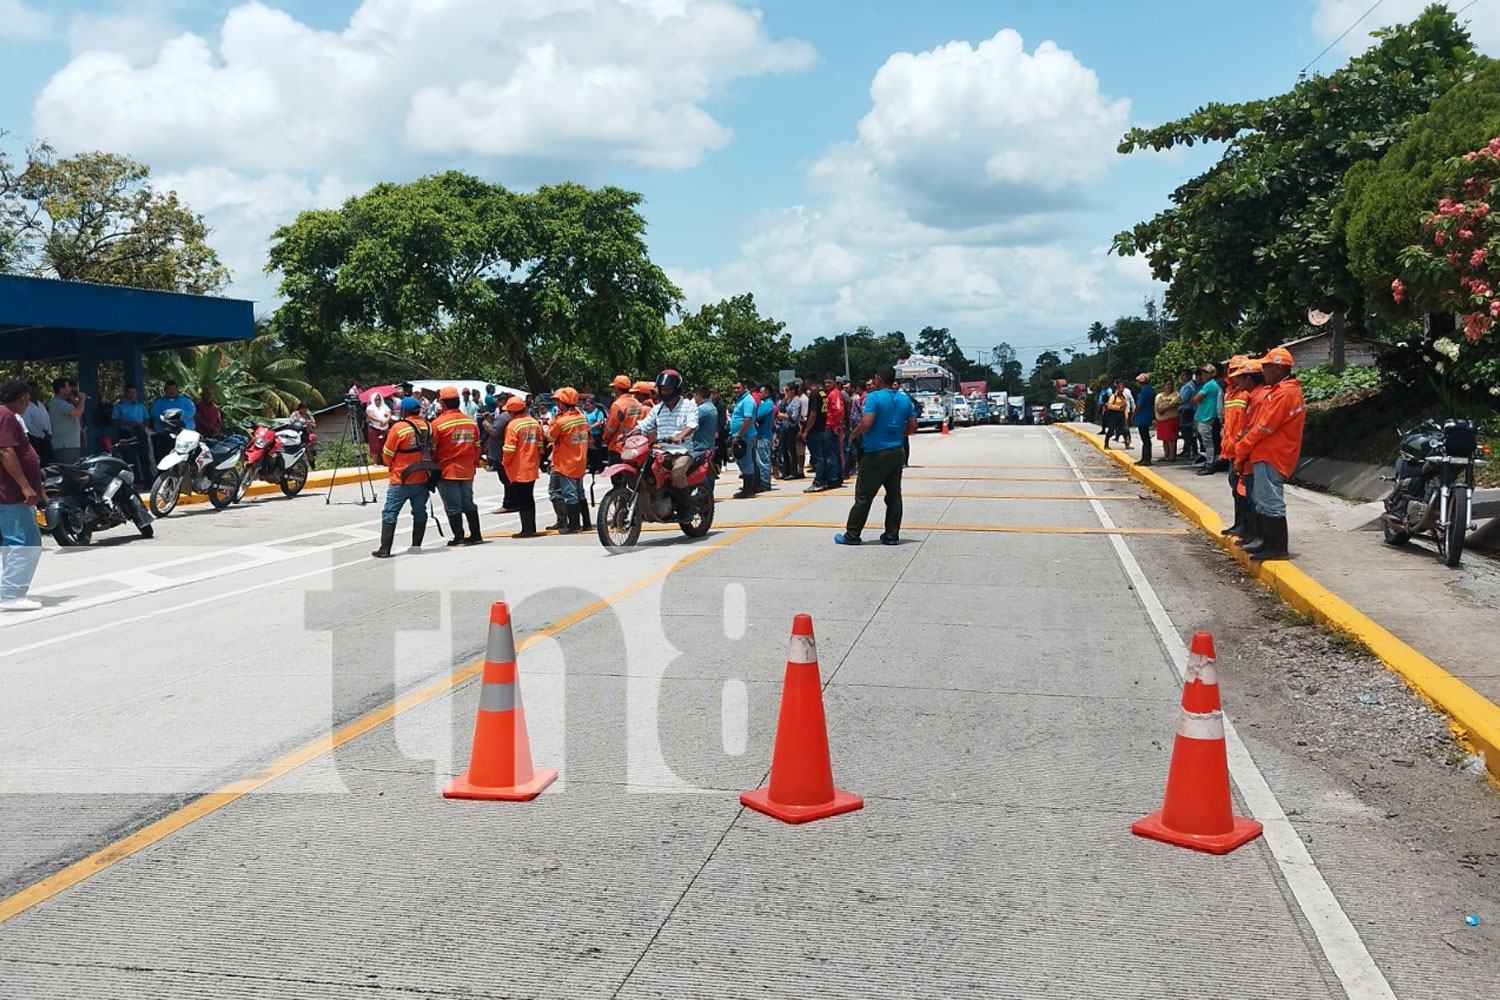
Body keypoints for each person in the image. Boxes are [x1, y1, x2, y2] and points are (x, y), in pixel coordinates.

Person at [1233, 347, 1304, 561]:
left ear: (1279, 367)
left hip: (1272, 454)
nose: (1263, 370)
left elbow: (1263, 427)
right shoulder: (1280, 390)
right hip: (1267, 453)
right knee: (1263, 500)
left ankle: (1277, 547)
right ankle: (1268, 544)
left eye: (1267, 366)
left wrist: (1242, 448)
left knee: (1270, 501)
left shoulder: (1284, 393)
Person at [834, 364, 917, 546]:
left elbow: (867, 422)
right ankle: (891, 534)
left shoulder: (874, 398)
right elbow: (913, 425)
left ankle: (852, 534)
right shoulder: (904, 400)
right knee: (894, 496)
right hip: (897, 451)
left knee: (864, 495)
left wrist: (855, 433)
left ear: (879, 378)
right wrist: (898, 434)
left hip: (876, 453)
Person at [1, 380, 45, 611]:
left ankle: (9, 589)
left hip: (10, 491)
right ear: (22, 399)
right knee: (26, 541)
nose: (27, 404)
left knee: (13, 541)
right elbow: (6, 451)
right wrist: (25, 486)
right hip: (12, 492)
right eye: (27, 399)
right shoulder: (6, 416)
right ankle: (10, 594)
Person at [374, 396, 437, 558]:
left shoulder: (399, 428)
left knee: (390, 512)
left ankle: (385, 549)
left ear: (403, 411)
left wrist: (391, 466)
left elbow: (387, 453)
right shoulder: (429, 427)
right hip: (422, 477)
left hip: (400, 478)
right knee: (419, 512)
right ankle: (416, 546)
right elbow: (433, 450)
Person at [636, 370, 701, 525]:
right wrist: (633, 432)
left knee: (677, 474)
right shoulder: (658, 408)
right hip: (661, 451)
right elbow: (644, 425)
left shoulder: (688, 406)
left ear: (676, 389)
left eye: (668, 389)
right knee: (644, 471)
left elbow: (692, 424)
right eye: (662, 389)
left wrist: (681, 435)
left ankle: (687, 508)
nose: (665, 393)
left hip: (682, 451)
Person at [431, 386, 484, 547]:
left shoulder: (437, 424)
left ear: (443, 403)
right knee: (468, 502)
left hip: (447, 470)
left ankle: (459, 537)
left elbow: (432, 449)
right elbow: (477, 446)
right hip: (467, 469)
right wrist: (473, 462)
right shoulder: (470, 421)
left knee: (453, 506)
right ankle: (476, 535)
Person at [1218, 357, 1258, 540]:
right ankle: (1239, 524)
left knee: (1244, 491)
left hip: (1242, 449)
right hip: (1231, 448)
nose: (1235, 376)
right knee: (1235, 489)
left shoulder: (1247, 394)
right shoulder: (1229, 393)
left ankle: (1247, 528)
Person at [546, 387, 591, 534]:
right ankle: (587, 523)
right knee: (580, 492)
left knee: (570, 494)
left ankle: (574, 526)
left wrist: (553, 421)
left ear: (564, 403)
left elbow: (550, 437)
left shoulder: (562, 421)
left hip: (566, 462)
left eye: (558, 401)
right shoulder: (582, 417)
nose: (557, 404)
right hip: (580, 460)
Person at [501, 396, 541, 537]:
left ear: (512, 412)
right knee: (529, 497)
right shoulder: (534, 423)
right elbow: (540, 446)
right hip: (532, 465)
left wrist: (505, 462)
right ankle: (531, 527)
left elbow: (509, 449)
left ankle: (527, 530)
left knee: (523, 499)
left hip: (519, 468)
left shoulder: (513, 426)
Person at [112, 385, 153, 483]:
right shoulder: (120, 405)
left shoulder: (140, 405)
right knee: (130, 458)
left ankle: (148, 481)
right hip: (126, 433)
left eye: (134, 393)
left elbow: (147, 419)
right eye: (130, 392)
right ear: (126, 393)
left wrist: (143, 424)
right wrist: (128, 423)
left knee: (145, 457)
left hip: (139, 432)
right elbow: (114, 421)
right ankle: (134, 481)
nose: (133, 395)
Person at [728, 378, 759, 499]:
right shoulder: (740, 400)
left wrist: (739, 434)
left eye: (738, 388)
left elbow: (747, 419)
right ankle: (747, 488)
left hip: (745, 436)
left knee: (746, 462)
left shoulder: (748, 400)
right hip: (739, 436)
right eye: (734, 388)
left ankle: (749, 490)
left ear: (745, 387)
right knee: (742, 461)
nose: (736, 390)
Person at [801, 373, 831, 491]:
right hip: (822, 428)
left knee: (817, 456)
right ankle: (824, 479)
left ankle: (819, 481)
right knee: (822, 456)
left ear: (809, 381)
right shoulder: (822, 393)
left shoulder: (814, 394)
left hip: (815, 430)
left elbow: (813, 413)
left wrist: (806, 431)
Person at [485, 394, 514, 513]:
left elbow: (495, 431)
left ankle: (508, 504)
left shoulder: (504, 416)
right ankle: (514, 502)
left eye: (498, 401)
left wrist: (486, 425)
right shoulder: (509, 416)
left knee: (506, 479)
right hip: (507, 451)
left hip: (501, 451)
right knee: (509, 479)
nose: (497, 404)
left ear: (503, 402)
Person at [48, 378, 87, 466]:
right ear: (62, 390)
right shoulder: (58, 403)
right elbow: (77, 412)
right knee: (67, 475)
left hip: (71, 445)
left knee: (74, 474)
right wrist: (82, 399)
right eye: (69, 387)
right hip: (64, 446)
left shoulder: (65, 403)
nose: (71, 390)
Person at [1192, 363, 1222, 474]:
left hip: (1206, 417)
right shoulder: (1211, 385)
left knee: (1208, 443)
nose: (1204, 375)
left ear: (1212, 373)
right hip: (1204, 416)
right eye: (1203, 372)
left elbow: (1196, 399)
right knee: (1206, 442)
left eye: (1206, 372)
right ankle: (1209, 463)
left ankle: (1210, 465)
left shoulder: (1210, 385)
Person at [692, 385, 719, 489]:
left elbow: (689, 424)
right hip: (708, 444)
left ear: (698, 395)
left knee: (702, 476)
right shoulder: (711, 407)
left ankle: (704, 498)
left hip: (701, 446)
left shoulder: (702, 409)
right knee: (707, 474)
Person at [21, 382, 52, 465]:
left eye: (37, 390)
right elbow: (29, 424)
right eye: (32, 390)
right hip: (35, 438)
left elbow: (47, 419)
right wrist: (42, 435)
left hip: (46, 436)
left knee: (47, 460)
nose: (35, 392)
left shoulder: (40, 404)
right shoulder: (26, 406)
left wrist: (49, 433)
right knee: (38, 461)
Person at [823, 375, 846, 488]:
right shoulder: (830, 394)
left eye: (829, 382)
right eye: (826, 382)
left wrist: (834, 425)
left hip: (831, 427)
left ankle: (833, 479)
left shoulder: (834, 394)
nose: (827, 384)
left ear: (834, 383)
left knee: (831, 454)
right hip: (830, 426)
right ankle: (836, 477)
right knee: (835, 453)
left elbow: (838, 410)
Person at [755, 382, 777, 492]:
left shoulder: (766, 405)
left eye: (761, 392)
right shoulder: (766, 404)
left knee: (763, 460)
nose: (759, 394)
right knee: (760, 460)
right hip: (762, 435)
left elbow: (756, 416)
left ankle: (765, 483)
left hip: (763, 435)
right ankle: (762, 481)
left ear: (767, 393)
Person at [1153, 375, 1180, 462]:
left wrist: (1163, 409)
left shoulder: (1175, 394)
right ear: (1164, 386)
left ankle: (1172, 455)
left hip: (1171, 419)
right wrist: (1158, 411)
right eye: (1167, 384)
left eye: (1171, 384)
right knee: (1164, 439)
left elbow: (1175, 404)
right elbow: (1156, 406)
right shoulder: (1159, 396)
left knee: (1171, 438)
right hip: (1161, 420)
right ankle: (1166, 454)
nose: (1169, 386)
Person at [1131, 373, 1156, 465]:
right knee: (1145, 438)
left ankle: (1146, 459)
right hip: (1147, 415)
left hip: (1143, 416)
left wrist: (1133, 415)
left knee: (1145, 438)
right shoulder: (1149, 390)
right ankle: (1145, 458)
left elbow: (1139, 405)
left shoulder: (1144, 391)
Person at [1177, 368, 1199, 464]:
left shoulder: (1189, 386)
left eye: (1183, 375)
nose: (1182, 377)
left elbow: (1183, 399)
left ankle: (1192, 451)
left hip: (1187, 410)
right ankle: (1187, 449)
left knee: (1188, 432)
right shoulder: (1185, 386)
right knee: (1185, 432)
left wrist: (1176, 401)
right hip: (1184, 409)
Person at [1101, 379, 1130, 449]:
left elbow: (1124, 407)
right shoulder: (1113, 397)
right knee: (1111, 430)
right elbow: (1109, 406)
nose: (1121, 389)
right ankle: (1106, 444)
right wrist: (1118, 407)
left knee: (1124, 430)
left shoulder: (1123, 397)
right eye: (1119, 387)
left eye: (1122, 387)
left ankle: (1127, 444)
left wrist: (1126, 416)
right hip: (1113, 415)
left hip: (1121, 415)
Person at [365, 392, 392, 466]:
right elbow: (371, 416)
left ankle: (385, 462)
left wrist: (386, 421)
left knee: (384, 446)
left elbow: (389, 414)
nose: (378, 401)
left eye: (379, 399)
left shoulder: (385, 406)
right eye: (376, 399)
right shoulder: (370, 407)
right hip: (374, 428)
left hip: (384, 429)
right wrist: (380, 421)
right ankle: (375, 462)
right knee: (375, 446)